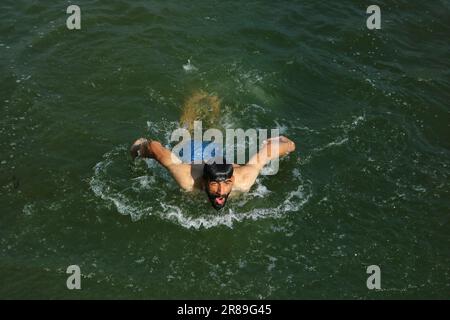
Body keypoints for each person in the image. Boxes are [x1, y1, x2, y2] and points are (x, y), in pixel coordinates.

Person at [130, 91, 296, 210]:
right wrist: (140, 147)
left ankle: (213, 102)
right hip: (192, 153)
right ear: (203, 182)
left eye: (226, 183)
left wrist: (288, 144)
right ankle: (194, 98)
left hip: (215, 154)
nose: (221, 192)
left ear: (232, 179)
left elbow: (267, 153)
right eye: (215, 185)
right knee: (187, 131)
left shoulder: (244, 180)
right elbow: (155, 148)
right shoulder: (187, 179)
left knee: (214, 132)